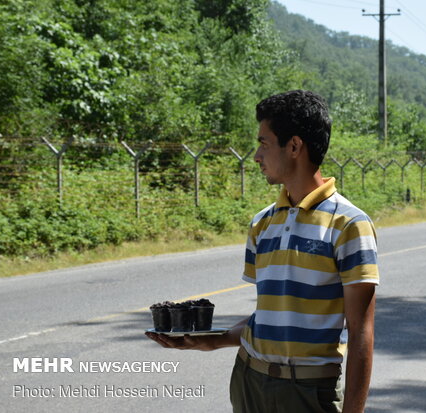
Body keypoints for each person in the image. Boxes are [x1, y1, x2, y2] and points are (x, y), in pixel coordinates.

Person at [146, 90, 379, 413]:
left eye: (264, 143)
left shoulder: (349, 225)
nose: (256, 155)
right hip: (249, 380)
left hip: (308, 391)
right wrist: (213, 340)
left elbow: (361, 332)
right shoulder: (262, 223)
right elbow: (270, 318)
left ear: (294, 146)